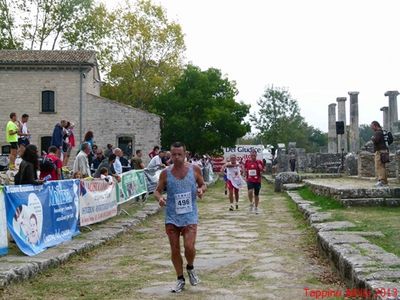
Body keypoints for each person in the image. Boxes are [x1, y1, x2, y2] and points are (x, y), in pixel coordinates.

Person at [154, 142, 206, 293]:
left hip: (190, 215)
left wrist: (201, 190)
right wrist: (160, 199)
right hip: (172, 216)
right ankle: (180, 279)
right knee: (175, 249)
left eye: (179, 154)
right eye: (173, 154)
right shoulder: (165, 173)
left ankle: (190, 267)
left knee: (189, 247)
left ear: (185, 155)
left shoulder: (194, 169)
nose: (176, 157)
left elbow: (203, 184)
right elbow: (157, 191)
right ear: (170, 155)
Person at [244, 150, 264, 214]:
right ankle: (251, 202)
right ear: (250, 155)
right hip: (250, 179)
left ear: (256, 155)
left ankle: (256, 207)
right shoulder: (247, 162)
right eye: (252, 155)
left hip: (257, 180)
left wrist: (261, 170)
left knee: (256, 194)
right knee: (250, 191)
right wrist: (245, 175)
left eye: (254, 155)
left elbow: (263, 170)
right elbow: (245, 169)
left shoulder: (259, 162)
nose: (253, 156)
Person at [371, 121, 388, 187]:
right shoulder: (381, 132)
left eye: (372, 126)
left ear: (375, 125)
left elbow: (376, 140)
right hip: (384, 151)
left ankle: (382, 181)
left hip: (380, 152)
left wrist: (372, 138)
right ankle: (385, 181)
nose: (372, 128)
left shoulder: (378, 132)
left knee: (379, 166)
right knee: (382, 166)